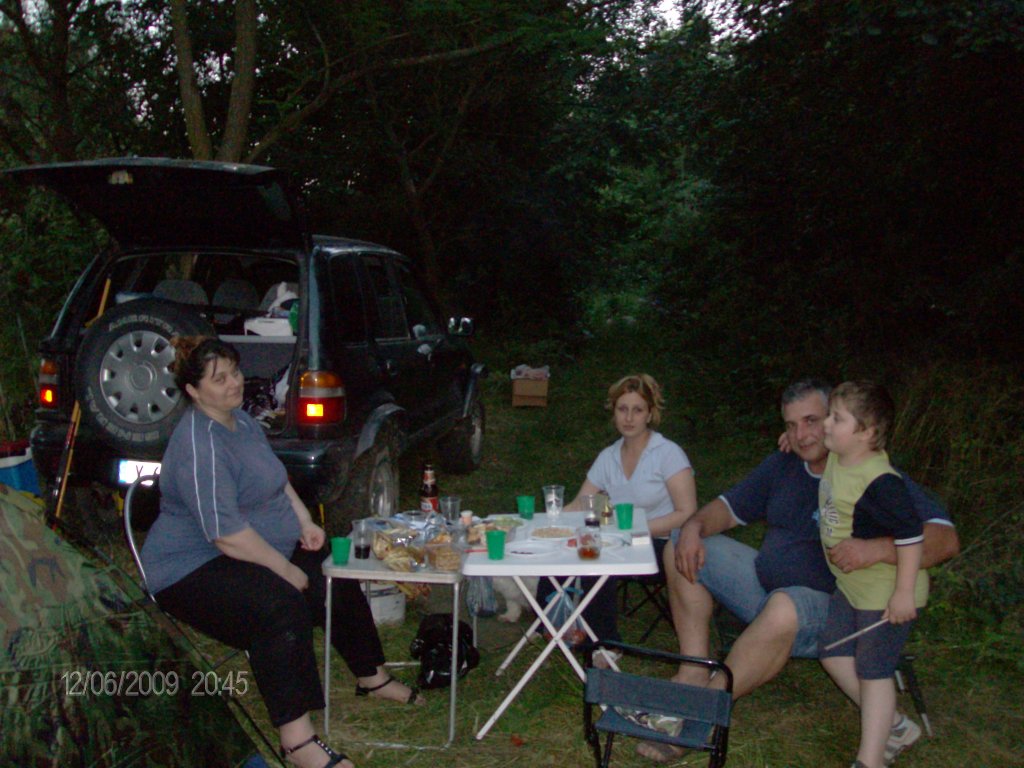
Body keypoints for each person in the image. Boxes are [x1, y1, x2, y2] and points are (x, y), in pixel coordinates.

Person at [637, 379, 958, 764]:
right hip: (767, 587)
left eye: (812, 421)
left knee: (785, 605)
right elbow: (727, 507)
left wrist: (876, 550)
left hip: (831, 610)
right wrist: (693, 527)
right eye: (791, 425)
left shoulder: (869, 474)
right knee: (682, 542)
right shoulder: (784, 464)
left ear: (838, 423)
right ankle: (693, 672)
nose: (802, 435)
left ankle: (703, 711)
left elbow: (945, 540)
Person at [140, 337, 421, 768]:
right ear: (193, 391)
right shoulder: (201, 446)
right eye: (220, 379)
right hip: (191, 566)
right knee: (280, 604)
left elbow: (276, 480)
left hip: (254, 545)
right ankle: (297, 741)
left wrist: (305, 521)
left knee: (331, 572)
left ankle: (372, 676)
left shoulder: (241, 421)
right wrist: (284, 570)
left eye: (235, 372)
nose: (234, 383)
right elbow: (225, 535)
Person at [540, 373, 697, 663]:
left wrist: (636, 530)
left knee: (600, 557)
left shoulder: (667, 454)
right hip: (620, 540)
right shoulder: (608, 457)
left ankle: (608, 644)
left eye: (637, 409)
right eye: (622, 409)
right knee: (567, 549)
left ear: (650, 413)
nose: (629, 417)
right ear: (613, 412)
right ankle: (554, 625)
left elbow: (687, 512)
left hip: (663, 543)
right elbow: (580, 504)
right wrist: (545, 524)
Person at [818, 381, 927, 768]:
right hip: (852, 587)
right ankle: (894, 725)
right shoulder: (840, 455)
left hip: (885, 592)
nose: (826, 424)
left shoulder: (881, 481)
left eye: (836, 418)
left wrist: (904, 593)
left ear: (866, 432)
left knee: (873, 671)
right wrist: (790, 439)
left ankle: (870, 760)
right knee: (832, 652)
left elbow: (912, 535)